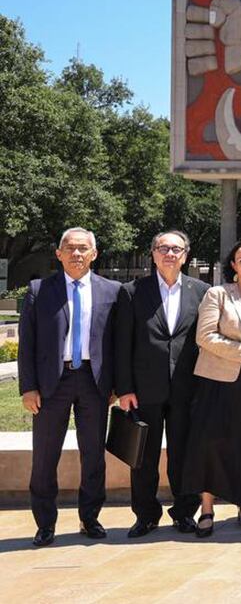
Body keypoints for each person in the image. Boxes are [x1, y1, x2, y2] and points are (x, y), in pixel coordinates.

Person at [18, 227, 121, 547]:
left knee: (93, 455)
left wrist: (117, 384)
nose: (76, 254)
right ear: (59, 254)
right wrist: (28, 387)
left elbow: (118, 342)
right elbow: (27, 344)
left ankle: (89, 518)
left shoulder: (113, 290)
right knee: (45, 456)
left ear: (94, 254)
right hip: (52, 383)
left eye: (83, 248)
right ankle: (45, 524)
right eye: (70, 248)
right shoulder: (39, 290)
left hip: (95, 381)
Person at [114, 230, 211, 537]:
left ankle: (184, 513)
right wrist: (125, 388)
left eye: (176, 249)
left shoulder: (203, 291)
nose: (170, 253)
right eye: (163, 248)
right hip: (144, 390)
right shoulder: (131, 291)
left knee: (184, 455)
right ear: (153, 253)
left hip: (188, 390)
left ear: (186, 255)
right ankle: (145, 514)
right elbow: (121, 344)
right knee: (143, 457)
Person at [183, 239, 241, 536]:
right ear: (233, 265)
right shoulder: (218, 294)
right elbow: (204, 336)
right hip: (220, 382)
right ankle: (207, 509)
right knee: (211, 443)